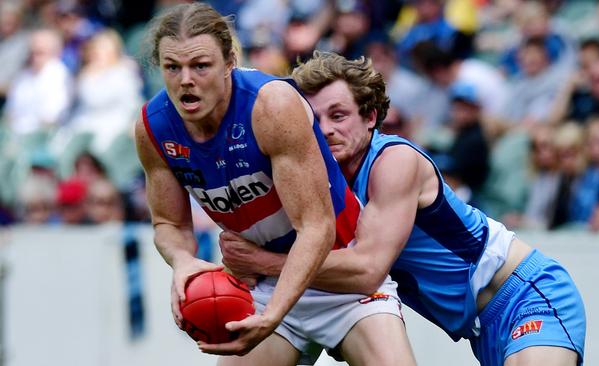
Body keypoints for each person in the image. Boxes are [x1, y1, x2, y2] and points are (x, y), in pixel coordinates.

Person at [220, 51, 587, 365]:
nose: (326, 129)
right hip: (479, 324)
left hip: (526, 294)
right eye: (314, 119)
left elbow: (366, 270)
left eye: (338, 115)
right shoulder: (311, 180)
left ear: (370, 117)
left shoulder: (393, 161)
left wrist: (261, 262)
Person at [134, 3, 415, 365]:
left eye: (200, 66)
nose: (185, 79)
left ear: (229, 63)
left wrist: (273, 315)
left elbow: (316, 228)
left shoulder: (270, 105)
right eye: (172, 67)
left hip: (341, 279)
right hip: (261, 285)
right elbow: (169, 224)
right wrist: (182, 262)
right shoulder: (152, 127)